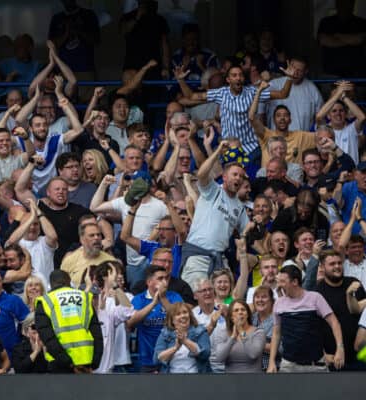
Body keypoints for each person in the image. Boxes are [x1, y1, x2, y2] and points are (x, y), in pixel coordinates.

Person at [175, 63, 296, 160]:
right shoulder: (221, 93)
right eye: (234, 75)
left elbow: (282, 94)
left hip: (252, 149)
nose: (238, 78)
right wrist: (181, 80)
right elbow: (191, 96)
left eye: (240, 75)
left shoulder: (252, 92)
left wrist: (290, 78)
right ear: (228, 79)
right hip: (229, 148)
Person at [179, 141, 249, 285]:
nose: (238, 178)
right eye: (234, 174)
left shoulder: (240, 207)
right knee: (195, 297)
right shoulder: (214, 190)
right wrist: (217, 152)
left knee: (228, 300)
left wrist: (257, 224)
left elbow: (247, 230)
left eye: (241, 177)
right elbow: (201, 174)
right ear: (224, 177)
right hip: (198, 256)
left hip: (219, 259)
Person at [268, 265, 345, 373]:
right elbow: (276, 333)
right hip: (288, 365)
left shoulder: (315, 298)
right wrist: (271, 362)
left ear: (295, 282)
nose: (279, 286)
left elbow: (334, 322)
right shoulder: (279, 303)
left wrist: (340, 348)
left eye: (282, 282)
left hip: (315, 365)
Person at [35, 270, 102, 373]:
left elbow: (47, 336)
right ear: (69, 281)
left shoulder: (45, 301)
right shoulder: (84, 297)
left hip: (59, 364)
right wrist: (95, 362)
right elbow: (96, 331)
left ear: (51, 284)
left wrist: (67, 362)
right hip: (86, 362)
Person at [126, 265, 184, 373]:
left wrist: (163, 298)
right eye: (160, 278)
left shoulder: (174, 296)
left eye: (166, 278)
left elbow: (180, 319)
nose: (164, 282)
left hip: (173, 358)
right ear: (149, 282)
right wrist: (153, 303)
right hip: (147, 359)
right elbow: (130, 323)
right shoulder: (139, 299)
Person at [315, 250, 366, 370]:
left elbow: (359, 311)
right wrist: (323, 355)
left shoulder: (353, 283)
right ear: (322, 267)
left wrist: (350, 294)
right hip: (332, 358)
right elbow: (313, 328)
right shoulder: (317, 292)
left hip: (358, 355)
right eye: (332, 264)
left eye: (339, 263)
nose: (337, 266)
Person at [266, 57, 323, 132]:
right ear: (288, 67)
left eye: (299, 70)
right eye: (293, 68)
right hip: (277, 139)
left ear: (306, 71)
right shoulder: (274, 84)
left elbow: (321, 115)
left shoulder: (312, 89)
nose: (295, 73)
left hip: (302, 139)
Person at [153, 302, 211, 373]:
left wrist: (185, 341)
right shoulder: (165, 334)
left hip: (197, 378)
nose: (183, 316)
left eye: (185, 312)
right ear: (172, 320)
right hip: (171, 379)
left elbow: (206, 354)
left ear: (190, 315)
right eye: (178, 314)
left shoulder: (200, 331)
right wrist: (175, 348)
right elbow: (157, 359)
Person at [213, 300, 266, 373]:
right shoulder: (223, 332)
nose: (240, 312)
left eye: (243, 310)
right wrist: (232, 338)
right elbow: (219, 358)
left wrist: (241, 331)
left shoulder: (259, 332)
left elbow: (253, 354)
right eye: (236, 310)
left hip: (253, 379)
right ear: (231, 316)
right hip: (231, 380)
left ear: (247, 314)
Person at [317, 0, 366, 78]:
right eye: (342, 3)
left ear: (353, 5)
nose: (345, 6)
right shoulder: (326, 22)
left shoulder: (361, 23)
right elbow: (324, 40)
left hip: (357, 74)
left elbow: (360, 39)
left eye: (348, 3)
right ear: (337, 4)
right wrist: (351, 40)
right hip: (331, 73)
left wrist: (337, 36)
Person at [60, 222, 116, 288]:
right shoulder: (69, 260)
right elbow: (61, 286)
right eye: (92, 235)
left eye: (98, 235)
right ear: (82, 239)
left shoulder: (110, 261)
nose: (96, 238)